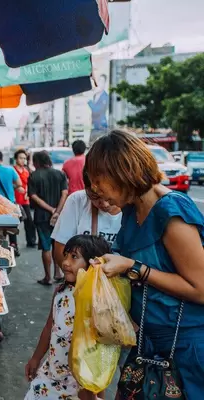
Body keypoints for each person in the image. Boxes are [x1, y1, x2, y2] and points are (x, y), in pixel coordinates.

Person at [84, 130, 204, 400]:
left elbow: (201, 289)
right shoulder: (131, 210)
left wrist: (132, 267)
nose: (95, 189)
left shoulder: (170, 212)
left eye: (98, 180)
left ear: (121, 171)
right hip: (147, 344)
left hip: (185, 348)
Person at [25, 234, 110, 400]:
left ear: (93, 264)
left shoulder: (97, 300)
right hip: (52, 372)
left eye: (74, 257)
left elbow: (100, 353)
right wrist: (36, 358)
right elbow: (50, 327)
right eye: (66, 256)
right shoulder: (61, 292)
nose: (65, 262)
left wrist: (94, 393)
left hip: (79, 382)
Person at [52, 168, 122, 268]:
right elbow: (60, 250)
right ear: (86, 190)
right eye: (95, 197)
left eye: (108, 197)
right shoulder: (77, 200)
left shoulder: (132, 207)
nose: (105, 204)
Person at [28, 151, 68, 285]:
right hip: (60, 216)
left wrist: (50, 209)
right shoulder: (60, 174)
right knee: (57, 244)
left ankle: (48, 277)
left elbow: (33, 196)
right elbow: (64, 193)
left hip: (42, 216)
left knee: (45, 247)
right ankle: (58, 272)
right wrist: (57, 211)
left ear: (37, 162)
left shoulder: (34, 175)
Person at [0, 150, 24, 255]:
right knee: (11, 226)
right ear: (2, 159)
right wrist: (11, 187)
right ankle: (13, 246)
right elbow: (19, 184)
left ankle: (1, 247)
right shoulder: (10, 170)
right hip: (10, 203)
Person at [12, 149, 36, 247]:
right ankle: (13, 244)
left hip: (25, 200)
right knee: (14, 224)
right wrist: (16, 188)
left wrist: (27, 192)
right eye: (21, 158)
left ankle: (31, 241)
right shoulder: (12, 170)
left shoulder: (26, 171)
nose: (23, 160)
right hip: (14, 200)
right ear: (16, 159)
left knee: (29, 221)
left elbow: (29, 184)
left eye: (24, 158)